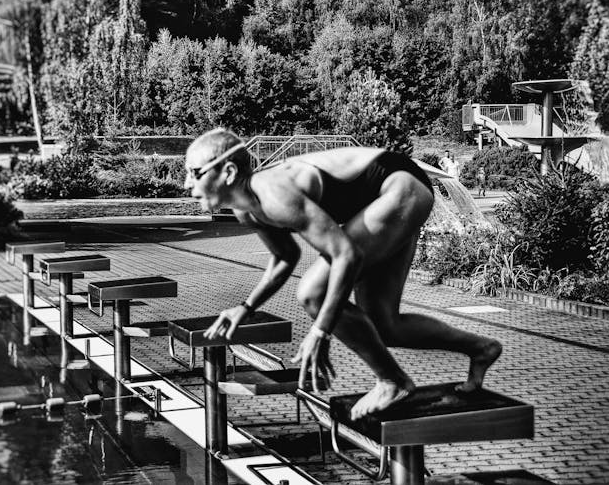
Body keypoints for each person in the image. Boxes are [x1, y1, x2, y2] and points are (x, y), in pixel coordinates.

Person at [189, 128, 502, 420]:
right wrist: (245, 308)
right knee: (384, 325)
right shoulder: (247, 210)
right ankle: (481, 348)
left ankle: (391, 381)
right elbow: (285, 257)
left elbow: (346, 255)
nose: (187, 185)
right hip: (389, 195)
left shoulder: (275, 194)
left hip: (398, 185)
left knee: (312, 292)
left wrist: (320, 331)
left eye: (194, 173)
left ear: (228, 172)